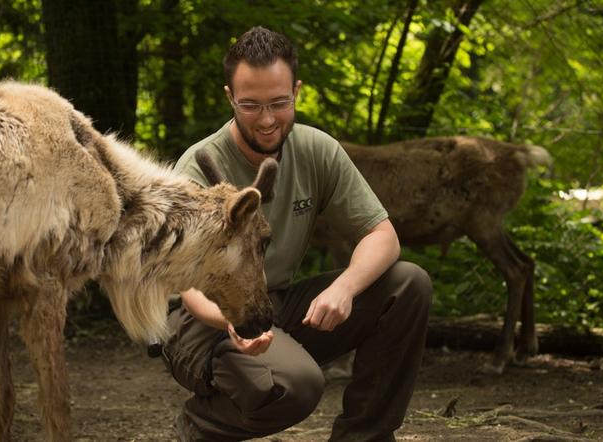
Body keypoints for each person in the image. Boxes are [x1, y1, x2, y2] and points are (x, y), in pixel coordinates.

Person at [163, 26, 432, 442]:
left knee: (407, 284)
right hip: (199, 321)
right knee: (297, 386)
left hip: (274, 304)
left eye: (279, 103)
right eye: (251, 105)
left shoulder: (315, 149)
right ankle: (200, 427)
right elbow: (185, 284)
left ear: (297, 91)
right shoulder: (196, 168)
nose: (268, 120)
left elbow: (383, 236)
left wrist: (345, 286)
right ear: (230, 97)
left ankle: (365, 437)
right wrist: (228, 317)